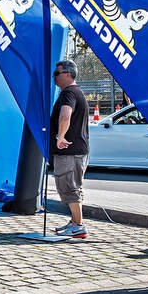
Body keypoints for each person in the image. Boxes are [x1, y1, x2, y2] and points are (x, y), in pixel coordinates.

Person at [50, 59, 89, 238]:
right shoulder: (74, 92)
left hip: (70, 151)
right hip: (75, 150)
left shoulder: (69, 93)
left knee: (69, 187)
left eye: (56, 73)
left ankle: (79, 225)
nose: (54, 77)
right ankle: (75, 221)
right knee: (72, 186)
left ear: (68, 74)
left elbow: (66, 115)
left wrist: (60, 137)